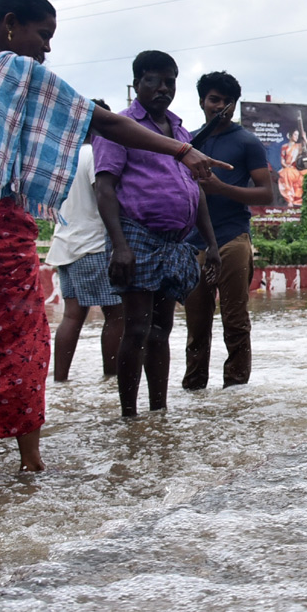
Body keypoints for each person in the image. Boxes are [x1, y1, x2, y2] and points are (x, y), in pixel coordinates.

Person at [0, 0, 225, 474]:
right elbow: (103, 121)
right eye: (43, 35)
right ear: (10, 24)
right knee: (21, 336)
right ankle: (30, 459)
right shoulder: (14, 70)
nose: (46, 49)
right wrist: (180, 151)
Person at [95, 51, 221, 417]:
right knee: (136, 328)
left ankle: (159, 411)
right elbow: (105, 189)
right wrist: (119, 245)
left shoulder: (180, 132)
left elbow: (196, 192)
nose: (163, 88)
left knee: (161, 330)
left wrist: (211, 244)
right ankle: (130, 416)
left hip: (174, 243)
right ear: (137, 83)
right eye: (153, 80)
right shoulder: (119, 127)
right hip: (136, 236)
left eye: (169, 81)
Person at [181, 71, 271, 391]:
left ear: (234, 106)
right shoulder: (187, 142)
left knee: (234, 322)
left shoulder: (247, 141)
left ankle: (235, 393)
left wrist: (222, 188)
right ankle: (194, 391)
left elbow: (266, 194)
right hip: (192, 244)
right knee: (197, 326)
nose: (220, 106)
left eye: (226, 101)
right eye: (213, 99)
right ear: (202, 102)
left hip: (233, 238)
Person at [47, 99, 125, 382]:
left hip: (65, 244)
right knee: (117, 313)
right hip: (93, 245)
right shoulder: (95, 155)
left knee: (72, 315)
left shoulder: (64, 157)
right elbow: (104, 195)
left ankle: (60, 380)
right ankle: (111, 379)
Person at [277, 117, 307, 207]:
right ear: (291, 135)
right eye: (295, 135)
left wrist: (305, 139)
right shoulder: (284, 147)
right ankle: (290, 200)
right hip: (289, 170)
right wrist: (287, 167)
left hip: (298, 169)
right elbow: (282, 160)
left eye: (298, 135)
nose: (296, 137)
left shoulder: (300, 146)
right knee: (287, 172)